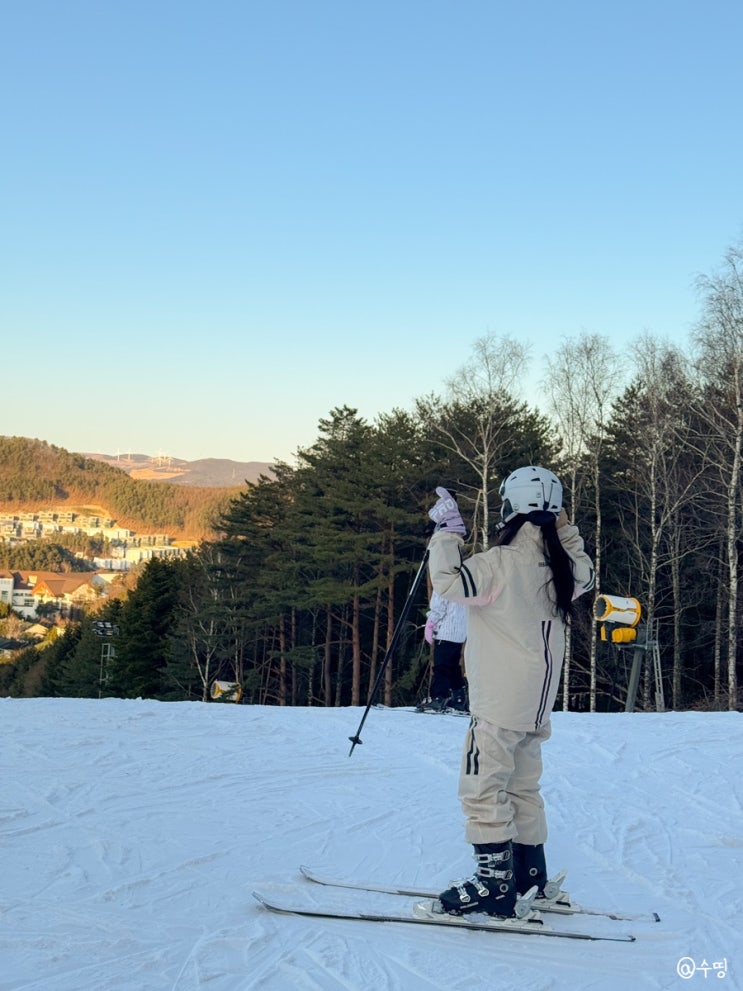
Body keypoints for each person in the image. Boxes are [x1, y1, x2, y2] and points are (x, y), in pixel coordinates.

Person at [425, 467, 595, 920]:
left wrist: (446, 533)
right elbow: (586, 570)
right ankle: (529, 876)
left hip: (499, 703)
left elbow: (448, 583)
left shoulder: (498, 564)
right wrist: (562, 527)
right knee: (522, 787)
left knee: (482, 787)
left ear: (509, 507)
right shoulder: (565, 568)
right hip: (536, 706)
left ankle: (494, 884)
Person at [416, 590, 468, 713]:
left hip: (445, 631)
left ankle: (438, 698)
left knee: (441, 667)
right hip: (460, 632)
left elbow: (438, 606)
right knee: (453, 666)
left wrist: (431, 622)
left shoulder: (443, 582)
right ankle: (459, 698)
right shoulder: (462, 582)